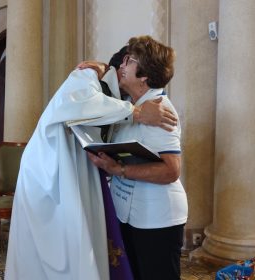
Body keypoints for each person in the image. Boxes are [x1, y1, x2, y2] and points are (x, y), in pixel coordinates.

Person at [4, 46, 177, 279]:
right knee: (56, 246)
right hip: (51, 173)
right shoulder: (87, 76)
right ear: (121, 65)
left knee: (80, 243)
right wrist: (136, 112)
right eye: (126, 62)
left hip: (79, 174)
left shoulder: (120, 97)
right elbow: (81, 104)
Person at [88, 35, 188, 280]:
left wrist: (119, 170)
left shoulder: (159, 111)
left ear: (144, 75)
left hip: (157, 219)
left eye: (129, 61)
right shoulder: (133, 105)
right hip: (130, 213)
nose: (121, 66)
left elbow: (171, 170)